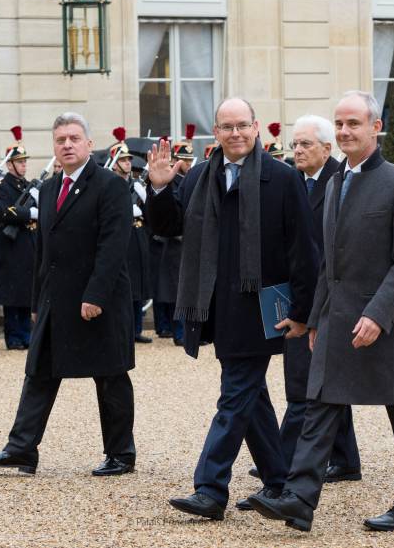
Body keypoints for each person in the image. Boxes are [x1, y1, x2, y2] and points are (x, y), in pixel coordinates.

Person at [247, 91, 394, 533]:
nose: (345, 131)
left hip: (384, 322)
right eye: (340, 124)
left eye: (354, 124)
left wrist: (378, 314)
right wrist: (314, 317)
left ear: (375, 129)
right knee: (320, 406)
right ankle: (300, 499)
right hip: (336, 319)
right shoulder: (332, 183)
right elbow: (328, 262)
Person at [146, 97, 318, 521]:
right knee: (251, 396)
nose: (235, 133)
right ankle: (280, 483)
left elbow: (303, 249)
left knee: (236, 392)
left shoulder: (281, 177)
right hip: (215, 306)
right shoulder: (201, 175)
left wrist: (304, 310)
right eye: (226, 126)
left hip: (261, 306)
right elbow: (168, 228)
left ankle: (210, 488)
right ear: (216, 132)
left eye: (242, 125)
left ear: (256, 128)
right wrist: (161, 188)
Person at [0, 112, 136, 477]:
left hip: (99, 299)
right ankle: (22, 449)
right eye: (61, 139)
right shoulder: (48, 188)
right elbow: (43, 252)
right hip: (55, 298)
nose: (67, 145)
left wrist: (96, 295)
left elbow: (113, 247)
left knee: (110, 374)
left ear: (89, 144)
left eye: (74, 138)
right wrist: (35, 302)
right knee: (39, 372)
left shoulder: (110, 185)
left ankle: (121, 454)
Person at [247, 114, 359, 491]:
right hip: (298, 293)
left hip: (327, 298)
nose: (296, 150)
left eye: (305, 144)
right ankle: (344, 459)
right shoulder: (293, 181)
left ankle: (277, 459)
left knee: (303, 384)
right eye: (295, 144)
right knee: (323, 381)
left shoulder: (340, 183)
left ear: (328, 150)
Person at [153, 125, 197, 346]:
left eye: (190, 160)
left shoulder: (193, 179)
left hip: (190, 244)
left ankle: (189, 331)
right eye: (184, 160)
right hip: (174, 244)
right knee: (176, 289)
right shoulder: (173, 181)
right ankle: (179, 332)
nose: (188, 164)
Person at [0, 125, 37, 350]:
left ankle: (26, 334)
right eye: (20, 162)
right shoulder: (2, 185)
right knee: (12, 293)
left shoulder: (28, 185)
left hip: (27, 244)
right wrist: (28, 213)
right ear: (10, 165)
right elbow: (3, 211)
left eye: (24, 162)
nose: (24, 165)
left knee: (27, 292)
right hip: (10, 245)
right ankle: (13, 336)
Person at [110, 127, 153, 344]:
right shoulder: (110, 185)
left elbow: (150, 213)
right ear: (115, 163)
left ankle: (136, 328)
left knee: (139, 282)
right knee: (125, 285)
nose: (128, 163)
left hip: (138, 235)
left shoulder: (135, 184)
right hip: (122, 238)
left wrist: (145, 198)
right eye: (123, 160)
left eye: (128, 159)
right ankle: (124, 328)